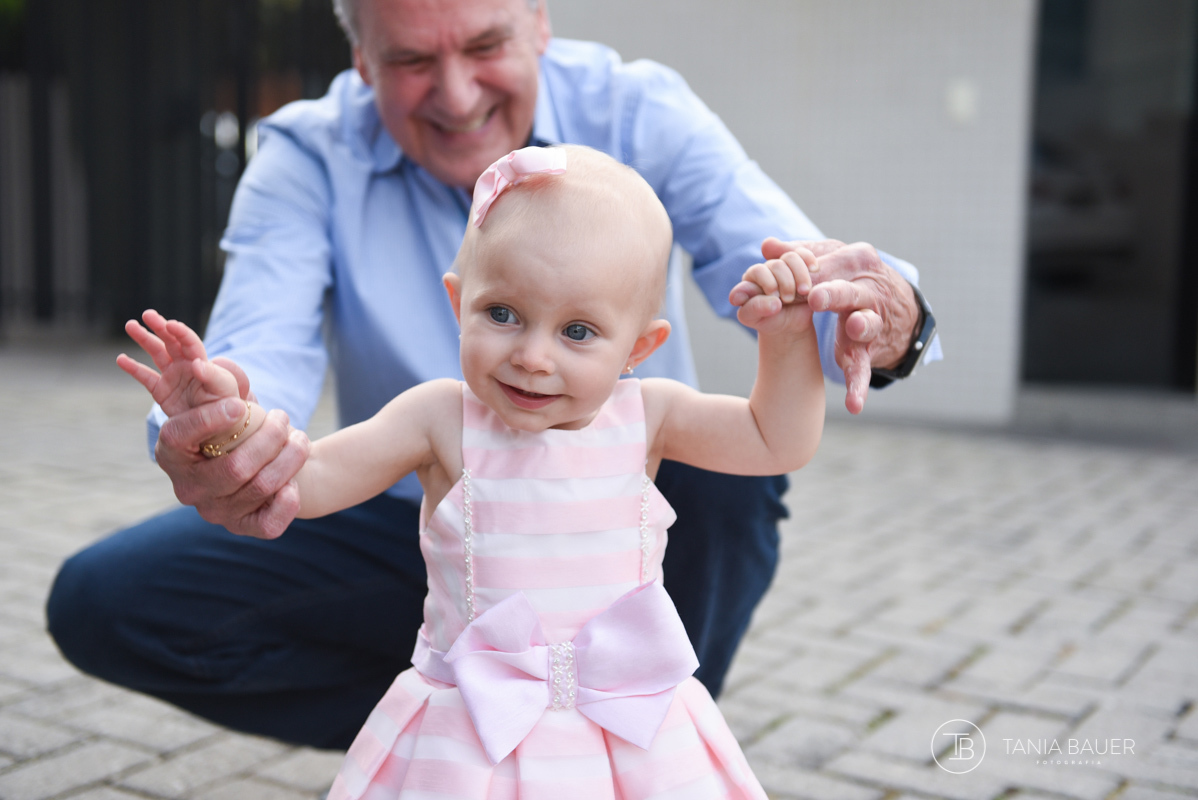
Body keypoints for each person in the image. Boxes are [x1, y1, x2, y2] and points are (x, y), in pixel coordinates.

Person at [47, 0, 940, 750]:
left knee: (724, 481)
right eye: (409, 59)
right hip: (414, 516)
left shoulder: (639, 115)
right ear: (359, 56)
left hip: (617, 553)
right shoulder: (310, 160)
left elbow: (803, 298)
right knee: (104, 599)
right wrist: (227, 426)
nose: (459, 93)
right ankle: (458, 730)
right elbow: (265, 382)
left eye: (484, 45)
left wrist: (855, 313)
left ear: (538, 22)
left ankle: (639, 729)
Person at [118, 144, 822, 799]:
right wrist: (227, 425)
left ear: (640, 346)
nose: (534, 356)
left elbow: (773, 440)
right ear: (459, 302)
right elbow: (309, 480)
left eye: (578, 331)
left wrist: (787, 341)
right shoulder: (440, 420)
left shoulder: (650, 416)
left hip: (630, 733)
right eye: (503, 313)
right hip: (473, 737)